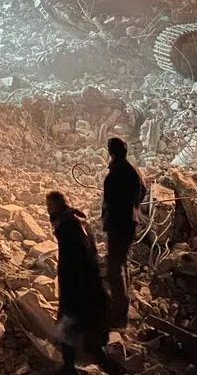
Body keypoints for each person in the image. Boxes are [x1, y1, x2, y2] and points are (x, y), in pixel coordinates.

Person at [47, 191, 123, 375]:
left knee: (69, 330)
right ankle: (108, 367)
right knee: (89, 335)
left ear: (55, 206)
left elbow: (74, 261)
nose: (47, 210)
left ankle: (70, 367)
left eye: (48, 206)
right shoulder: (78, 221)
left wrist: (70, 289)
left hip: (77, 289)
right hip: (90, 287)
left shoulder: (68, 228)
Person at [101, 137, 145, 327]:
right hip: (128, 223)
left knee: (115, 268)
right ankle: (122, 308)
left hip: (118, 225)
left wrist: (107, 219)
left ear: (111, 152)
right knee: (122, 263)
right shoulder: (132, 170)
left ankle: (120, 315)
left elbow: (109, 202)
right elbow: (142, 191)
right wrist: (133, 206)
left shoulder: (115, 174)